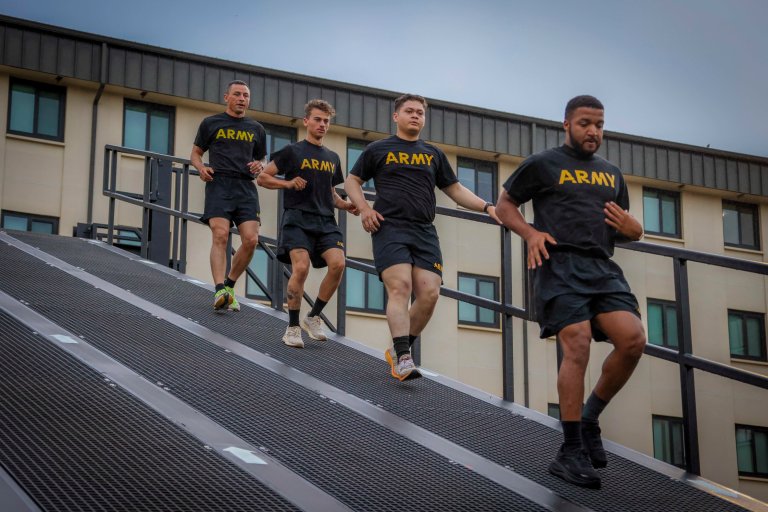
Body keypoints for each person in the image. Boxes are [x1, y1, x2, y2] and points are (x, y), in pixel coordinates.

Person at [495, 95, 646, 489]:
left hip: (601, 268)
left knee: (632, 340)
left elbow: (625, 227)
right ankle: (570, 450)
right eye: (585, 124)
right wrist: (529, 233)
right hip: (558, 266)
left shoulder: (611, 173)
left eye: (599, 124)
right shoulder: (544, 163)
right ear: (567, 125)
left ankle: (591, 415)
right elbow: (505, 203)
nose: (593, 131)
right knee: (576, 342)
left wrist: (636, 231)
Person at [345, 93, 500, 382]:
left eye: (420, 113)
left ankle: (398, 348)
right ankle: (404, 357)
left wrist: (487, 206)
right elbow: (352, 180)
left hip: (424, 229)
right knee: (400, 287)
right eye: (410, 111)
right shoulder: (378, 149)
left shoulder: (433, 153)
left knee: (429, 293)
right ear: (396, 116)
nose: (416, 116)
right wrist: (365, 208)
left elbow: (454, 189)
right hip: (388, 227)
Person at [258, 99, 359, 348]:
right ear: (306, 121)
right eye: (317, 119)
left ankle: (312, 317)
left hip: (325, 221)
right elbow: (263, 177)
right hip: (297, 218)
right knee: (300, 268)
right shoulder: (292, 151)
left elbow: (331, 193)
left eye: (326, 121)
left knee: (338, 264)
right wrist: (288, 183)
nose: (322, 124)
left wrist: (345, 205)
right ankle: (292, 327)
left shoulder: (333, 157)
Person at [191, 80, 267, 312]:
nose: (242, 98)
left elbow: (263, 159)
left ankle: (230, 284)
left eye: (245, 95)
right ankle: (218, 290)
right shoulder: (211, 123)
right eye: (237, 94)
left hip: (245, 187)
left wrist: (260, 165)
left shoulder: (256, 128)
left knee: (251, 240)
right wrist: (201, 168)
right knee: (221, 235)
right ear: (227, 97)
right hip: (219, 184)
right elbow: (195, 154)